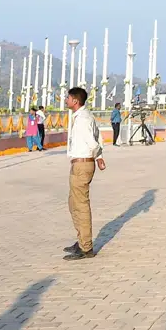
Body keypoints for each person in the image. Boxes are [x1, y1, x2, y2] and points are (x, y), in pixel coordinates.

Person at [62, 87, 105, 260]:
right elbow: (98, 136)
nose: (66, 100)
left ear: (75, 101)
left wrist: (98, 155)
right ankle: (81, 239)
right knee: (73, 203)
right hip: (79, 163)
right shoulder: (82, 117)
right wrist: (99, 156)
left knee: (80, 205)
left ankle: (86, 247)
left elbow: (92, 141)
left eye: (68, 98)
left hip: (83, 164)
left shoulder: (83, 119)